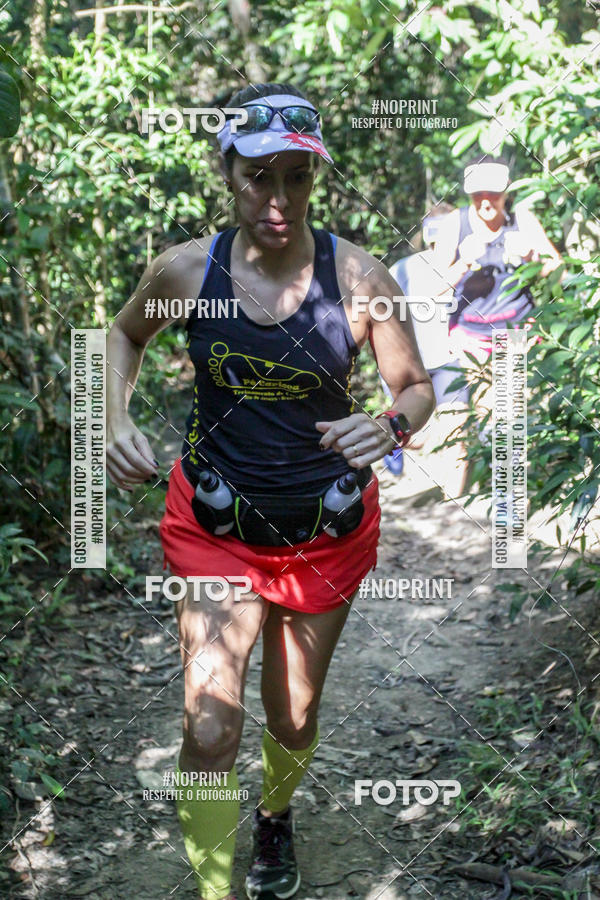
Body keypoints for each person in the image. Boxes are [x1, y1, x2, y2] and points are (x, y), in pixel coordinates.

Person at [106, 82, 435, 900]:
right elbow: (120, 334)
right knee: (210, 723)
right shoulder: (187, 269)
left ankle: (276, 817)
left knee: (290, 716)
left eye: (297, 177)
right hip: (215, 522)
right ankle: (216, 889)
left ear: (314, 178)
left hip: (324, 527)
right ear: (228, 173)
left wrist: (389, 427)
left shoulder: (361, 277)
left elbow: (416, 389)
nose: (278, 199)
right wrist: (110, 415)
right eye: (260, 177)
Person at [432, 154, 563, 367]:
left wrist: (532, 258)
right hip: (469, 337)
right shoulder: (454, 223)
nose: (485, 201)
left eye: (493, 192)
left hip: (516, 333)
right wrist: (463, 262)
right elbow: (432, 286)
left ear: (506, 190)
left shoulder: (521, 218)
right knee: (479, 400)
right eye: (477, 193)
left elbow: (560, 269)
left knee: (513, 399)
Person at [383, 207, 471, 496]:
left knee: (457, 430)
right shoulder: (404, 268)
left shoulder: (471, 266)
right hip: (408, 361)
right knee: (408, 431)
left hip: (449, 359)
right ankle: (392, 457)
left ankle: (453, 504)